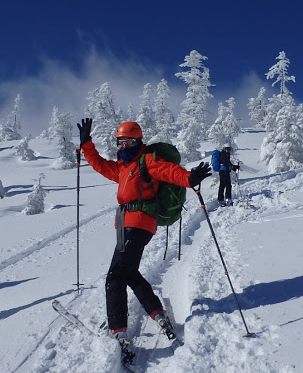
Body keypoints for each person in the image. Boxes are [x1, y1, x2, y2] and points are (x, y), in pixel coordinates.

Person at [77, 118, 211, 358]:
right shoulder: (122, 168)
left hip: (140, 223)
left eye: (127, 141)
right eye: (119, 142)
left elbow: (168, 171)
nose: (122, 147)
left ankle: (118, 330)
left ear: (138, 141)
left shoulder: (146, 160)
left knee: (114, 276)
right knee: (128, 272)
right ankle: (157, 313)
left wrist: (189, 178)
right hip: (125, 226)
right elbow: (98, 165)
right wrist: (86, 143)